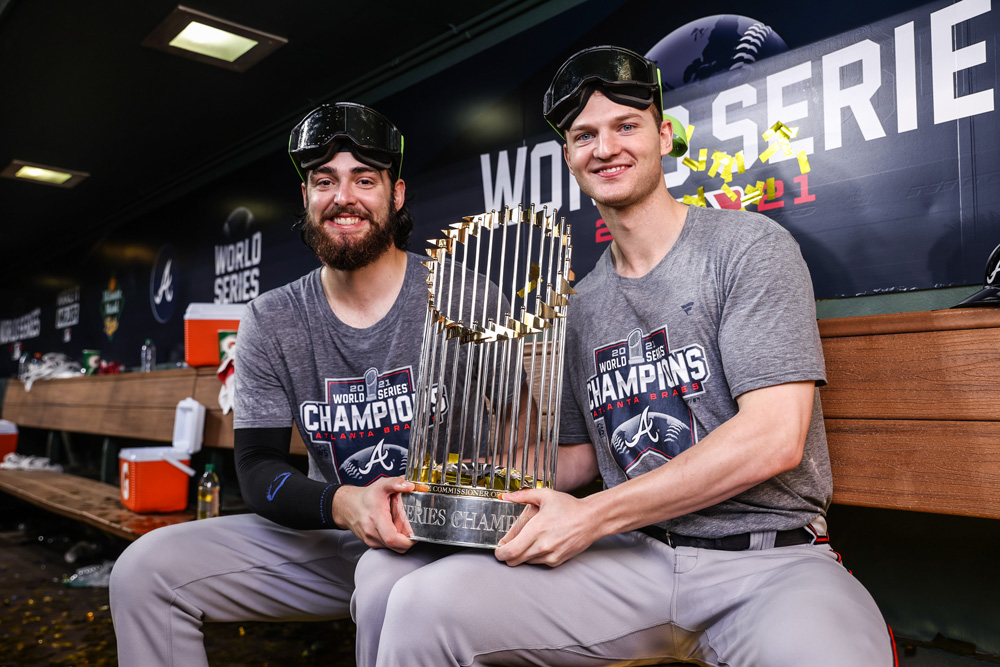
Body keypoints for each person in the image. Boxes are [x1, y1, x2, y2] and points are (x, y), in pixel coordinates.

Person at [352, 46, 896, 666]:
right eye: (584, 135)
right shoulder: (579, 304)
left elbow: (775, 437)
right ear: (569, 158)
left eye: (625, 126)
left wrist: (594, 518)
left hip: (769, 561)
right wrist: (458, 486)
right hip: (632, 560)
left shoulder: (747, 246)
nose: (604, 148)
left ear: (664, 136)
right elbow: (580, 459)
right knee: (421, 604)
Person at [110, 102, 464, 665]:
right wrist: (344, 504)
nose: (342, 197)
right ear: (306, 198)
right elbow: (257, 469)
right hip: (335, 526)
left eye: (364, 179)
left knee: (386, 583)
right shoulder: (273, 317)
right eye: (325, 181)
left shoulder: (457, 295)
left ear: (395, 196)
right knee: (145, 570)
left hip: (443, 543)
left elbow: (518, 442)